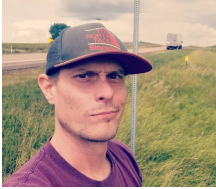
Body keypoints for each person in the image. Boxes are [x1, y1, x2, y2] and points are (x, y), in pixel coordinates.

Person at [4, 23, 153, 187]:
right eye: (84, 76)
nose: (107, 92)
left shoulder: (122, 154)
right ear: (49, 89)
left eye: (115, 76)